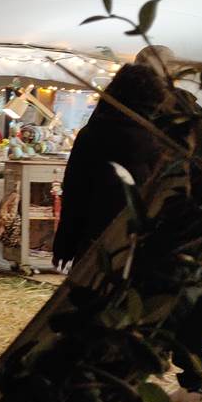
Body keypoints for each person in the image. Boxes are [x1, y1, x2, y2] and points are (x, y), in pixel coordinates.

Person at [53, 64, 167, 268]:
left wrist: (65, 243)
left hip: (98, 234)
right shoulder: (157, 138)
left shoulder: (93, 134)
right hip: (143, 239)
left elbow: (75, 192)